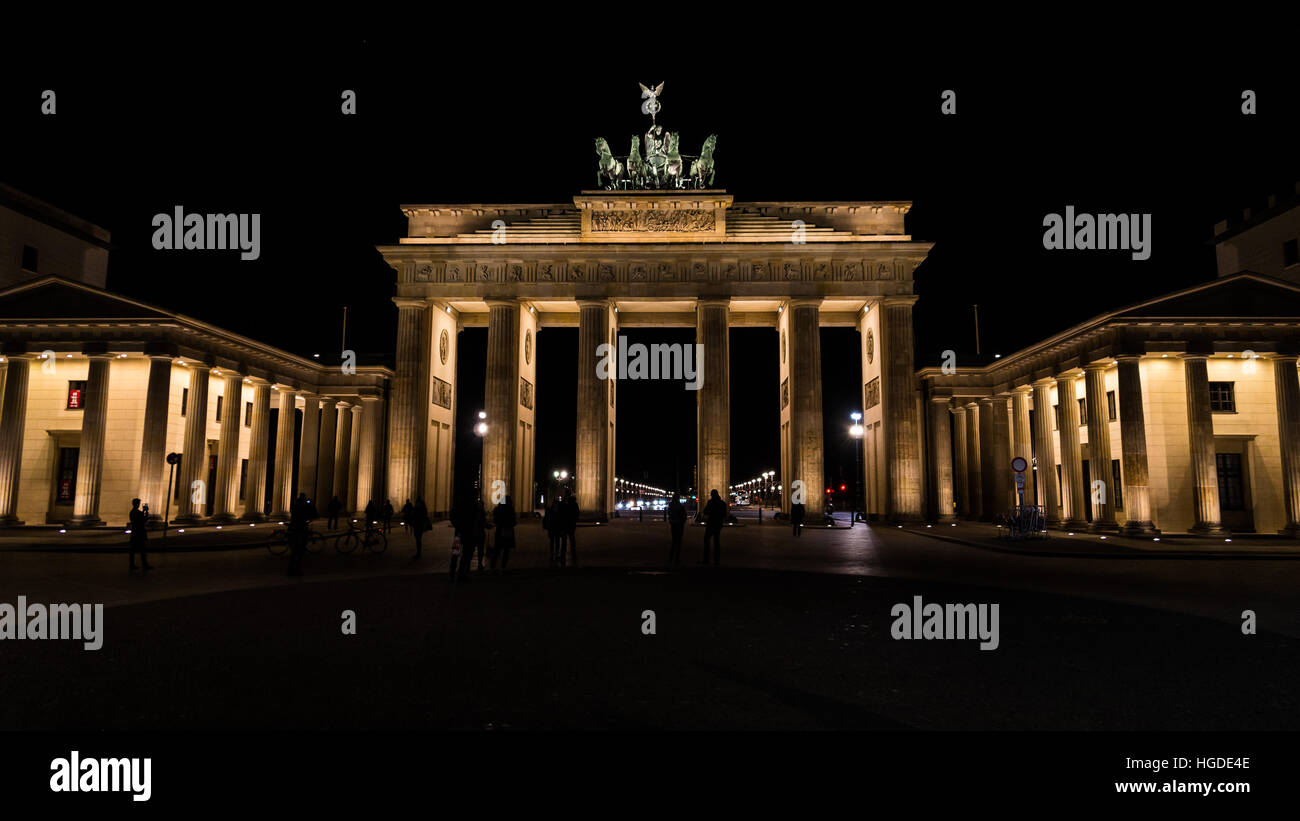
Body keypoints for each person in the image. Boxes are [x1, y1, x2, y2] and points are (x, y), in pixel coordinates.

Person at [287, 491, 317, 576]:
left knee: (294, 552)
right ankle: (296, 570)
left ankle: (291, 569)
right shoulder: (304, 508)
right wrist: (310, 505)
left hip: (293, 530)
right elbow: (314, 514)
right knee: (299, 552)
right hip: (301, 531)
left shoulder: (295, 507)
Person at [449, 494, 475, 582]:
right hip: (466, 533)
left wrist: (457, 525)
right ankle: (461, 573)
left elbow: (452, 516)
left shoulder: (458, 506)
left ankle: (452, 573)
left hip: (459, 533)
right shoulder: (470, 506)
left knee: (456, 553)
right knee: (465, 554)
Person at [701, 488, 728, 565]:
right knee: (717, 541)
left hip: (710, 523)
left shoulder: (710, 502)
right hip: (718, 524)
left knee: (706, 541)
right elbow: (724, 515)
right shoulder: (723, 503)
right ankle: (716, 560)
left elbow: (705, 511)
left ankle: (706, 559)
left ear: (712, 495)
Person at [491, 495, 517, 571]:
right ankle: (503, 567)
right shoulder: (510, 510)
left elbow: (495, 521)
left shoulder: (497, 509)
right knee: (506, 550)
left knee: (497, 550)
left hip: (499, 531)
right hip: (508, 531)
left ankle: (493, 567)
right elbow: (514, 522)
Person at [128, 498, 151, 572]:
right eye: (138, 503)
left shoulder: (132, 512)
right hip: (139, 533)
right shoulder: (137, 512)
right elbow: (144, 520)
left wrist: (143, 512)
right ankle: (144, 565)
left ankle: (132, 565)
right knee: (142, 550)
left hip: (134, 532)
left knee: (133, 550)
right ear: (137, 504)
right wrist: (146, 511)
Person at [667, 493, 686, 565]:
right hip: (679, 525)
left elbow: (670, 515)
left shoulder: (671, 506)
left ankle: (670, 558)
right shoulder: (680, 506)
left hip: (673, 525)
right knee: (678, 542)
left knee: (674, 542)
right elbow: (683, 516)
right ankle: (676, 559)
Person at [543, 498, 563, 566]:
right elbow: (546, 519)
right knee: (552, 542)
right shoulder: (550, 510)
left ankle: (556, 554)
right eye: (555, 503)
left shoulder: (558, 511)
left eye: (556, 504)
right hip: (552, 528)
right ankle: (552, 554)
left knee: (557, 542)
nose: (556, 505)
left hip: (557, 529)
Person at [563, 493, 580, 568]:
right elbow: (577, 513)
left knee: (564, 540)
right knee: (572, 539)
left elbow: (561, 513)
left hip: (565, 524)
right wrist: (575, 520)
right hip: (572, 524)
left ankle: (562, 554)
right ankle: (573, 554)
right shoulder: (574, 504)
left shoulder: (565, 504)